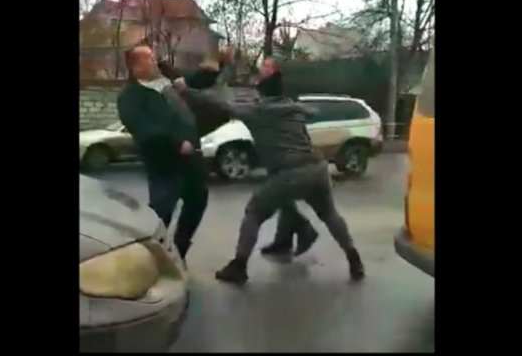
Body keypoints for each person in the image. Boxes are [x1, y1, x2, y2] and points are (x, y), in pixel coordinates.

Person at [175, 57, 365, 285]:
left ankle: (238, 266)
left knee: (254, 211)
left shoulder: (259, 111)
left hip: (290, 172)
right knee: (328, 213)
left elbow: (220, 104)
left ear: (261, 91)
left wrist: (185, 91)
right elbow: (309, 116)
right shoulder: (293, 108)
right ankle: (354, 258)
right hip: (317, 168)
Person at [117, 45, 220, 262]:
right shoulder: (130, 96)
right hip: (164, 163)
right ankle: (154, 258)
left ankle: (180, 250)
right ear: (136, 66)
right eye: (149, 58)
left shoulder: (167, 86)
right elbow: (145, 130)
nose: (155, 61)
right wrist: (177, 143)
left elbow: (188, 110)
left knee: (197, 202)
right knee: (161, 214)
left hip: (191, 161)